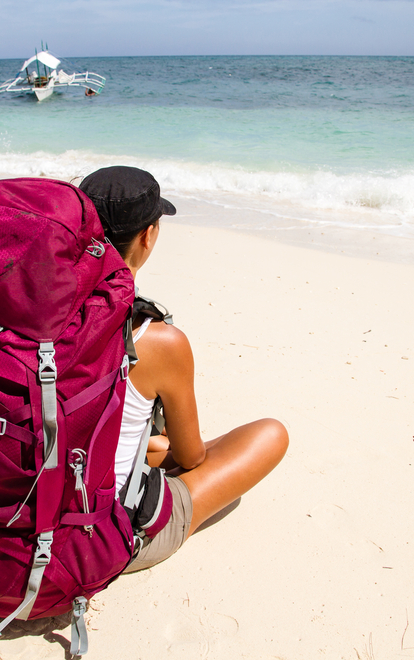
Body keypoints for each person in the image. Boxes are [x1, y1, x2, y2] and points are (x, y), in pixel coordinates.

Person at [79, 166, 289, 572]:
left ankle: (148, 449)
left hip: (10, 512)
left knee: (154, 442)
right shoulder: (153, 338)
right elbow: (191, 458)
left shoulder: (27, 311)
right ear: (148, 236)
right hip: (89, 541)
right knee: (269, 435)